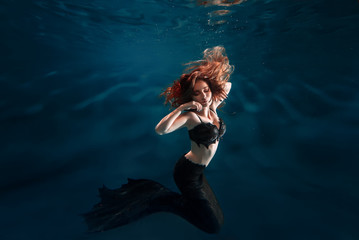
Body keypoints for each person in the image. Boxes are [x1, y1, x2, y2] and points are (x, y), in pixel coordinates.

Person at [82, 46, 234, 234]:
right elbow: (160, 130)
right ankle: (163, 200)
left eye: (206, 91)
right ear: (191, 96)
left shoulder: (214, 107)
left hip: (199, 171)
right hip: (187, 173)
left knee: (218, 218)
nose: (203, 96)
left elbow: (227, 86)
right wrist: (182, 108)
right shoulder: (191, 117)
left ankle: (170, 200)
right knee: (212, 227)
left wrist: (206, 75)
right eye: (197, 93)